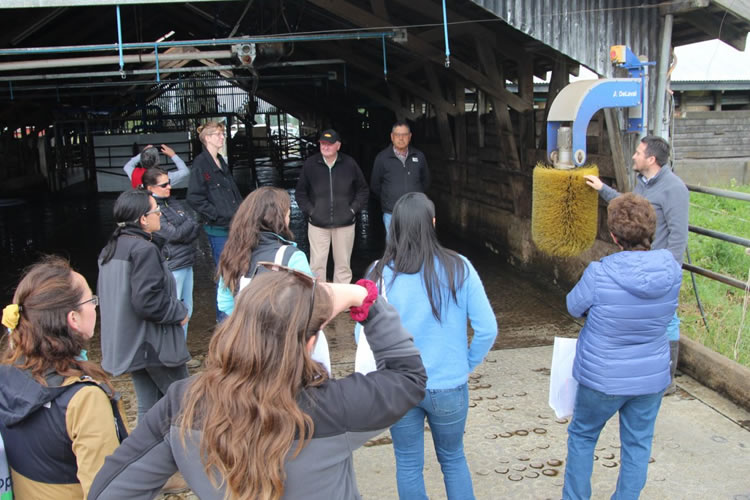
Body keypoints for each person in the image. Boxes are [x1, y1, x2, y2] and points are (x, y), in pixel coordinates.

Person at [89, 268, 427, 500]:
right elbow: (408, 376)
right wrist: (362, 297)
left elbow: (112, 491)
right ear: (309, 344)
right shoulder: (334, 407)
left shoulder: (184, 402)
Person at [362, 192, 497, 499]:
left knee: (408, 463)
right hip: (449, 385)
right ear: (433, 223)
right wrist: (467, 362)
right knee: (453, 459)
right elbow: (487, 329)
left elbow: (364, 338)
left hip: (399, 386)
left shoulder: (379, 273)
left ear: (393, 227)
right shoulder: (459, 267)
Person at [562, 193, 682, 500]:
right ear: (651, 232)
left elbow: (574, 306)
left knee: (583, 436)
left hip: (603, 378)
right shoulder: (671, 271)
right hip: (651, 375)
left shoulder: (600, 273)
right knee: (638, 443)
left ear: (614, 237)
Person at [0, 256, 128, 499]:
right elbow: (105, 492)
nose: (95, 307)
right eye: (91, 300)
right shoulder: (84, 400)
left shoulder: (7, 373)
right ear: (73, 318)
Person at [584, 135, 689, 394]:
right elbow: (629, 209)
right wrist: (602, 189)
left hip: (662, 267)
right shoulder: (642, 183)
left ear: (651, 159)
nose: (634, 156)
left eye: (639, 152)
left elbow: (678, 235)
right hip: (641, 261)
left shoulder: (674, 189)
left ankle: (667, 379)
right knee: (645, 318)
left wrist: (672, 271)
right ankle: (648, 372)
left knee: (669, 320)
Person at [97, 189, 190, 423]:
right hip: (153, 345)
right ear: (142, 219)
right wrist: (179, 312)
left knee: (148, 409)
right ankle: (189, 456)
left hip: (130, 343)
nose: (160, 214)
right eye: (156, 210)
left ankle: (145, 457)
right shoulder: (144, 250)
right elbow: (148, 301)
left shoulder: (112, 248)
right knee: (186, 405)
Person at [216, 186, 311, 316]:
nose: (289, 220)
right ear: (279, 219)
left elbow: (225, 303)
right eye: (288, 215)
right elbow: (308, 305)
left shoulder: (232, 253)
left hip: (244, 331)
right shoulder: (292, 257)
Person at [295, 129, 369, 283]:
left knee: (343, 266)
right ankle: (319, 301)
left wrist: (352, 210)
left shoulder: (350, 164)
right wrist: (311, 211)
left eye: (329, 144)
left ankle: (340, 304)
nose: (325, 147)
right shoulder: (311, 164)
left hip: (345, 224)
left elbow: (363, 190)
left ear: (338, 146)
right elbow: (300, 192)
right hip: (317, 224)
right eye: (322, 143)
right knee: (316, 266)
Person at [187, 121, 243, 322]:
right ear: (207, 138)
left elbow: (231, 191)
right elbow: (194, 197)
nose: (222, 137)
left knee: (236, 268)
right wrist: (215, 213)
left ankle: (233, 312)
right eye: (218, 134)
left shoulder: (220, 160)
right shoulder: (201, 164)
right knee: (224, 271)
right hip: (218, 228)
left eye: (222, 133)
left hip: (233, 225)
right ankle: (224, 318)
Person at [142, 167, 201, 341]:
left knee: (187, 308)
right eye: (164, 185)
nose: (169, 187)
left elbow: (194, 224)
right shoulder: (151, 209)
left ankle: (180, 350)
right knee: (173, 309)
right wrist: (184, 229)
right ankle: (171, 351)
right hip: (172, 264)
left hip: (186, 261)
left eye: (169, 183)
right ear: (150, 188)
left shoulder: (172, 201)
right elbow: (172, 234)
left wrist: (182, 231)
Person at [370, 121, 430, 238]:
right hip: (392, 213)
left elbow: (426, 181)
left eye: (404, 135)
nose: (401, 138)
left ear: (410, 136)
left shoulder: (419, 156)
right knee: (394, 248)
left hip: (415, 212)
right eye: (397, 135)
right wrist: (388, 199)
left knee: (416, 246)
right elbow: (375, 185)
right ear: (392, 137)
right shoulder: (382, 158)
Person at [123, 144, 189, 189]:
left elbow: (127, 166)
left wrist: (143, 153)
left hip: (139, 206)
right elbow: (185, 171)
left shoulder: (134, 173)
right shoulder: (163, 176)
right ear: (157, 161)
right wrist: (173, 155)